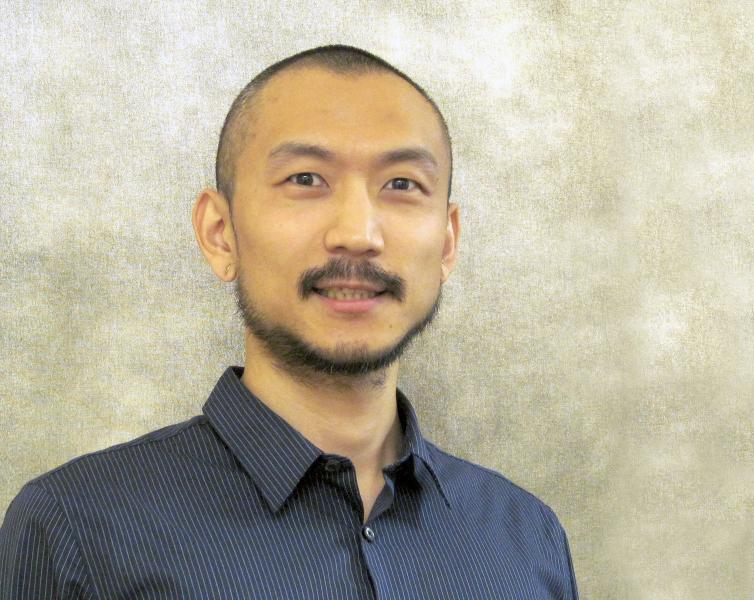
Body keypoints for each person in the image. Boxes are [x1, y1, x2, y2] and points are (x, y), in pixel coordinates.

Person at [0, 45, 579, 599]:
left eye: (401, 185)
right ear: (220, 233)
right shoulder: (75, 531)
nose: (358, 232)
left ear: (448, 242)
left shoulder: (526, 539)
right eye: (306, 179)